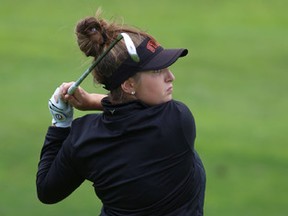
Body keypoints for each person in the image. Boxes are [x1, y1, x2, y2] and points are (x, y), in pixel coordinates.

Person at [36, 10, 206, 216]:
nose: (171, 76)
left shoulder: (83, 139)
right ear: (128, 84)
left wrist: (60, 122)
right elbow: (139, 114)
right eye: (157, 71)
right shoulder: (178, 120)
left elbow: (47, 191)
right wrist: (94, 102)